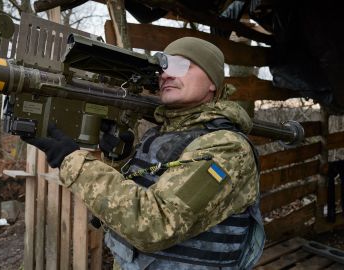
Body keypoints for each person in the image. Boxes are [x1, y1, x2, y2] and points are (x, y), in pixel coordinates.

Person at [23, 37, 265, 270]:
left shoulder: (227, 148)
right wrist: (121, 159)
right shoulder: (163, 133)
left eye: (182, 66)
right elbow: (146, 190)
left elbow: (154, 223)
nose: (167, 75)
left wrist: (73, 162)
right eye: (164, 66)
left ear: (213, 82)